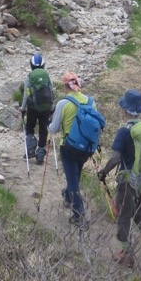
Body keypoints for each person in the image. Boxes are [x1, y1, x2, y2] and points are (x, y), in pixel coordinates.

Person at [98, 89, 141, 269]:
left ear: (126, 110)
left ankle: (127, 254)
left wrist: (103, 172)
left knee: (124, 216)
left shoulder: (124, 131)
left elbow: (115, 158)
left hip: (128, 182)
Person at [49, 72, 102, 228]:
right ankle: (67, 196)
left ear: (66, 86)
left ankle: (78, 214)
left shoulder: (63, 103)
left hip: (69, 147)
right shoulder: (90, 102)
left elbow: (54, 128)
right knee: (75, 174)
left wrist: (48, 124)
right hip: (87, 148)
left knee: (73, 180)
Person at [20, 53, 55, 165]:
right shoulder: (47, 76)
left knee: (30, 127)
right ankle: (40, 154)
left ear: (31, 65)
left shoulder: (29, 77)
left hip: (33, 107)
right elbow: (51, 92)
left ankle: (30, 149)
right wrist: (51, 107)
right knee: (43, 129)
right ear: (43, 65)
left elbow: (26, 95)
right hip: (46, 107)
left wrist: (23, 108)